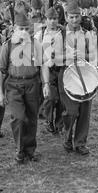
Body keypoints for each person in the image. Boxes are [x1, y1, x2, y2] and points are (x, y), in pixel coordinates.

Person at [0, 12, 46, 164]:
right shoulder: (8, 45)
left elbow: (43, 65)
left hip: (32, 84)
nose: (23, 32)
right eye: (20, 28)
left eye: (26, 28)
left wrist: (46, 84)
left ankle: (30, 150)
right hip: (14, 86)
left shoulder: (36, 45)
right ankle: (19, 149)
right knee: (18, 117)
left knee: (31, 118)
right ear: (14, 29)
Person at [47, 0, 96, 156]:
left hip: (85, 76)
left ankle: (80, 143)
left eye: (77, 16)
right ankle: (67, 136)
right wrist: (66, 56)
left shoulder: (87, 34)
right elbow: (52, 60)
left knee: (85, 111)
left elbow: (94, 56)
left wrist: (85, 56)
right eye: (71, 17)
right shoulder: (59, 35)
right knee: (71, 111)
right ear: (66, 17)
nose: (74, 20)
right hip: (66, 75)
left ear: (80, 16)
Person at [35, 7, 64, 135]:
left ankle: (59, 123)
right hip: (47, 69)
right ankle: (48, 120)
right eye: (50, 19)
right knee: (51, 97)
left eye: (55, 19)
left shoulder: (63, 32)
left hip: (61, 68)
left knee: (62, 99)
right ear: (45, 20)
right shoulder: (40, 34)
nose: (52, 21)